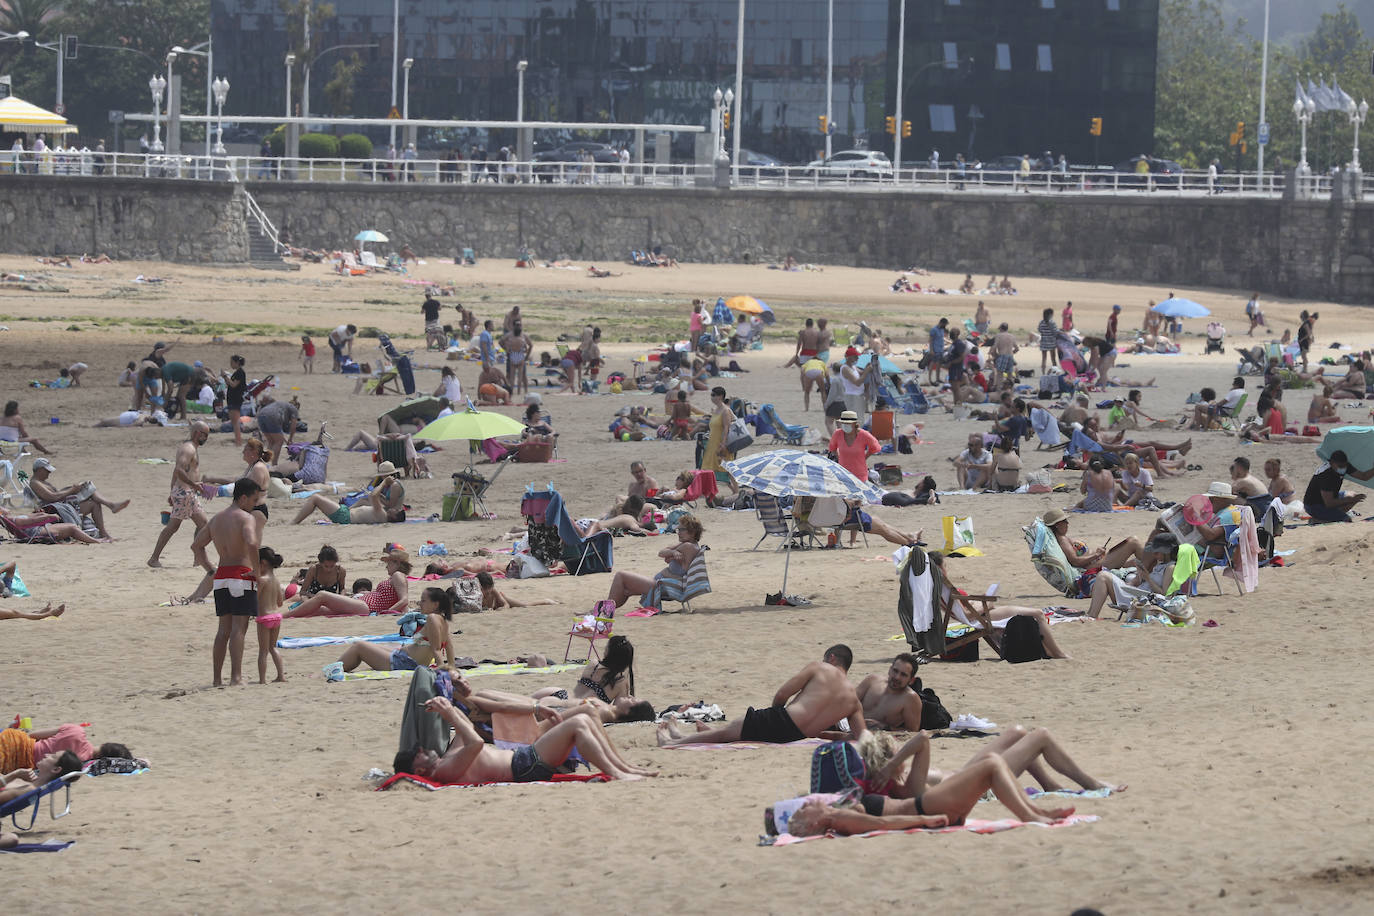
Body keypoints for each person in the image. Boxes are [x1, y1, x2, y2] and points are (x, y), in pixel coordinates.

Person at [394, 695, 655, 782]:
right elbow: (473, 743)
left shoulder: (447, 757)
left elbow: (468, 726)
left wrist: (451, 702)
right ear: (419, 768)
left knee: (585, 717)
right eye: (419, 752)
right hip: (524, 766)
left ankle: (623, 767)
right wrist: (450, 713)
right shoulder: (444, 770)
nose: (424, 749)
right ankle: (617, 773)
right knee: (578, 722)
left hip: (524, 760)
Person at [657, 645, 866, 746]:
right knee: (736, 733)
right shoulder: (853, 701)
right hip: (797, 736)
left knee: (733, 729)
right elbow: (861, 737)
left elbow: (782, 694)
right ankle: (683, 737)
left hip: (785, 720)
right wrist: (827, 735)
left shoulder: (820, 668)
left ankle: (673, 743)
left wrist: (774, 713)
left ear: (830, 657)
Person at [191, 479, 263, 687]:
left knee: (223, 630)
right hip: (241, 575)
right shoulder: (245, 518)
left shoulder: (216, 520)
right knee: (238, 629)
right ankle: (236, 677)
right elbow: (251, 542)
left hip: (221, 577)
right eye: (253, 500)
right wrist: (257, 572)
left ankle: (216, 679)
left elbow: (196, 546)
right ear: (243, 497)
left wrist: (211, 570)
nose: (255, 504)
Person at [330, 587, 455, 673]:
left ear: (435, 604)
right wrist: (452, 668)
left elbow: (436, 649)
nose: (420, 603)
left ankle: (332, 670)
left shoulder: (432, 619)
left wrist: (443, 671)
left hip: (404, 663)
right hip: (404, 657)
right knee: (373, 645)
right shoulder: (443, 621)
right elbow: (449, 647)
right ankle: (336, 668)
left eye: (423, 600)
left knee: (359, 646)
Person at [605, 514, 704, 608]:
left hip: (661, 586)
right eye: (678, 529)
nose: (678, 532)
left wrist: (666, 571)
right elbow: (661, 552)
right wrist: (673, 553)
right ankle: (607, 609)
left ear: (692, 531)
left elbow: (683, 578)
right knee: (625, 589)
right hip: (663, 585)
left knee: (621, 575)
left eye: (682, 529)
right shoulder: (689, 545)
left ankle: (605, 609)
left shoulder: (688, 546)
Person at [148, 422, 211, 567]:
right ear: (196, 433)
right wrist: (193, 484)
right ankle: (154, 558)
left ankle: (198, 559)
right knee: (173, 527)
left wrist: (172, 490)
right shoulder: (188, 449)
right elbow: (179, 470)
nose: (206, 438)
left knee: (203, 524)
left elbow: (177, 472)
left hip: (188, 492)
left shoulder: (192, 448)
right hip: (185, 493)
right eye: (204, 434)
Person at [283, 548, 411, 617]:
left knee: (322, 595)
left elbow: (404, 600)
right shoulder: (395, 577)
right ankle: (286, 615)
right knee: (320, 610)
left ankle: (284, 616)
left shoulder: (398, 575)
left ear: (397, 563)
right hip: (364, 605)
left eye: (388, 563)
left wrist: (385, 613)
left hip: (366, 607)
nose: (386, 566)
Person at [27, 458, 130, 540]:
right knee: (93, 501)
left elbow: (55, 495)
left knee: (88, 488)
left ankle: (106, 529)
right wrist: (71, 490)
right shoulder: (35, 483)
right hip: (58, 510)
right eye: (47, 470)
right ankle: (110, 510)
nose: (49, 473)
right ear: (40, 470)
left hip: (61, 506)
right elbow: (53, 497)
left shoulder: (41, 482)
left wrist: (72, 489)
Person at [1041, 507, 1145, 573]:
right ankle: (1156, 578)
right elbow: (1075, 561)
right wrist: (1096, 555)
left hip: (1098, 562)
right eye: (1065, 521)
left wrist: (1097, 553)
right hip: (1095, 566)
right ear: (1058, 525)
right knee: (1133, 542)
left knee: (1136, 562)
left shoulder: (1062, 538)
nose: (1068, 523)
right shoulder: (1062, 540)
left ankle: (1154, 575)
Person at [855, 654, 925, 731]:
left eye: (903, 675)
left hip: (872, 735)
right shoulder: (872, 680)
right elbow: (848, 701)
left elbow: (912, 731)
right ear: (889, 670)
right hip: (850, 725)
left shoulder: (910, 699)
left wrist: (884, 727)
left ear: (911, 680)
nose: (897, 677)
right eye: (895, 671)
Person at [1304, 450, 1374, 523]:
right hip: (1314, 505)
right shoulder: (1326, 475)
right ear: (1331, 463)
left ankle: (1333, 515)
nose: (1343, 468)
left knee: (1352, 495)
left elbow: (1363, 476)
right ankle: (1319, 520)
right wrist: (1351, 500)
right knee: (1346, 520)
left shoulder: (1344, 465)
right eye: (1340, 466)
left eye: (1344, 466)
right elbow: (1329, 503)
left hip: (1328, 499)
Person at [290, 486, 406, 526]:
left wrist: (384, 482)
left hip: (344, 516)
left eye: (396, 511)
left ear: (394, 517)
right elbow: (365, 501)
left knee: (315, 498)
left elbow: (374, 495)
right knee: (317, 499)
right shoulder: (381, 514)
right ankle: (295, 521)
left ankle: (294, 522)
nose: (394, 509)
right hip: (346, 512)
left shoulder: (381, 514)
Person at [255, 546, 286, 684]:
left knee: (263, 651)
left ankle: (262, 679)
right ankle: (281, 675)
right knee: (273, 648)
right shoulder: (277, 581)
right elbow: (280, 603)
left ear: (263, 563)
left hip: (264, 617)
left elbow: (255, 598)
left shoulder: (262, 580)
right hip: (276, 617)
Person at [702, 387, 739, 496]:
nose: (712, 397)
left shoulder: (725, 410)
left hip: (722, 443)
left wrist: (723, 444)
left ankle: (736, 490)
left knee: (726, 468)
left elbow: (727, 428)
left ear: (720, 396)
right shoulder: (715, 410)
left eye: (714, 395)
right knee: (709, 467)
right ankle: (707, 490)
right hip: (712, 443)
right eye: (711, 395)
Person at [829, 411, 879, 483]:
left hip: (860, 474)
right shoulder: (837, 433)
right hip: (843, 473)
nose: (846, 425)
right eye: (844, 423)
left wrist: (864, 457)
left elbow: (875, 447)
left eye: (848, 423)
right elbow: (832, 447)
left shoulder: (864, 435)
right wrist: (839, 458)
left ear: (855, 424)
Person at [254, 397, 299, 469]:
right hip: (273, 416)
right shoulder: (294, 409)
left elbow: (279, 432)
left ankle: (264, 462)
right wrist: (290, 439)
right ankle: (274, 465)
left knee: (271, 442)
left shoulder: (282, 405)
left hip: (261, 414)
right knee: (278, 442)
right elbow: (293, 426)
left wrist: (287, 440)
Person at [476, 571, 557, 609]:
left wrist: (502, 609)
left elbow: (506, 604)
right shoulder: (476, 593)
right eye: (485, 589)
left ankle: (547, 601)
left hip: (501, 600)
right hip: (495, 606)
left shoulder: (493, 591)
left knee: (525, 605)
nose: (488, 591)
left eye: (489, 588)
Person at [503, 321, 532, 395]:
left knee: (512, 376)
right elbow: (529, 346)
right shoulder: (522, 338)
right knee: (520, 376)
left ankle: (512, 391)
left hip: (513, 355)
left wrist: (507, 351)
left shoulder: (510, 338)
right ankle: (519, 392)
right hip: (520, 355)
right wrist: (527, 355)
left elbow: (505, 344)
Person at [223, 355, 247, 446]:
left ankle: (238, 441)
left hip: (236, 400)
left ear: (237, 363)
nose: (231, 364)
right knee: (234, 421)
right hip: (232, 399)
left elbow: (233, 384)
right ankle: (237, 440)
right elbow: (230, 384)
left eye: (232, 362)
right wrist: (225, 378)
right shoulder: (236, 373)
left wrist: (225, 376)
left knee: (235, 421)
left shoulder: (240, 373)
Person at [926, 319, 947, 384]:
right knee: (932, 364)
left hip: (940, 350)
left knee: (939, 365)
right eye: (945, 324)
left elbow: (941, 339)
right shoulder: (934, 330)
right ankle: (930, 379)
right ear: (941, 323)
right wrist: (931, 350)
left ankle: (938, 379)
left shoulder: (942, 329)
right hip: (935, 350)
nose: (945, 326)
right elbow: (930, 340)